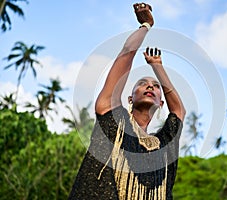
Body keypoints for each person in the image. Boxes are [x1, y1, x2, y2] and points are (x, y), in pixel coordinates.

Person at [68, 2, 185, 200]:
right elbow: (126, 53)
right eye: (142, 83)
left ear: (161, 103)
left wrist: (158, 67)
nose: (150, 86)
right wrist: (146, 25)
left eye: (156, 86)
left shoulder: (164, 146)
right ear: (130, 98)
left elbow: (179, 111)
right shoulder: (113, 121)